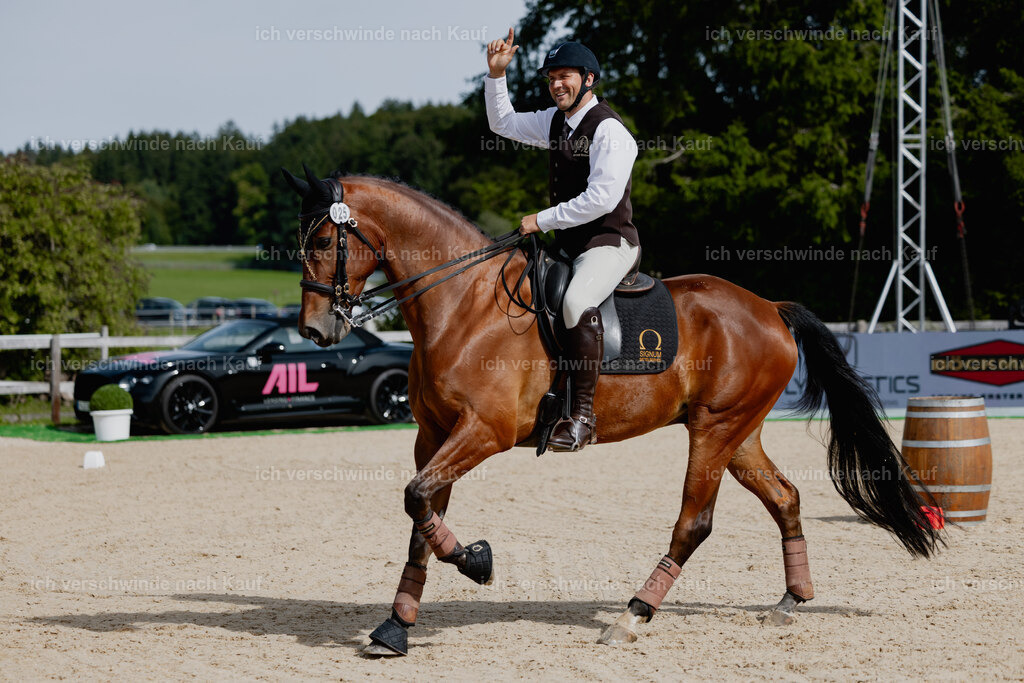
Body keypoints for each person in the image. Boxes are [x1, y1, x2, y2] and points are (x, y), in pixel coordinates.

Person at [485, 28, 640, 452]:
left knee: (574, 303)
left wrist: (543, 219)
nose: (557, 85)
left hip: (610, 243)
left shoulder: (610, 132)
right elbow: (503, 123)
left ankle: (583, 417)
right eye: (551, 77)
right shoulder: (556, 121)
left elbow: (602, 198)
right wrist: (497, 76)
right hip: (570, 245)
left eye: (565, 76)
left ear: (589, 79)